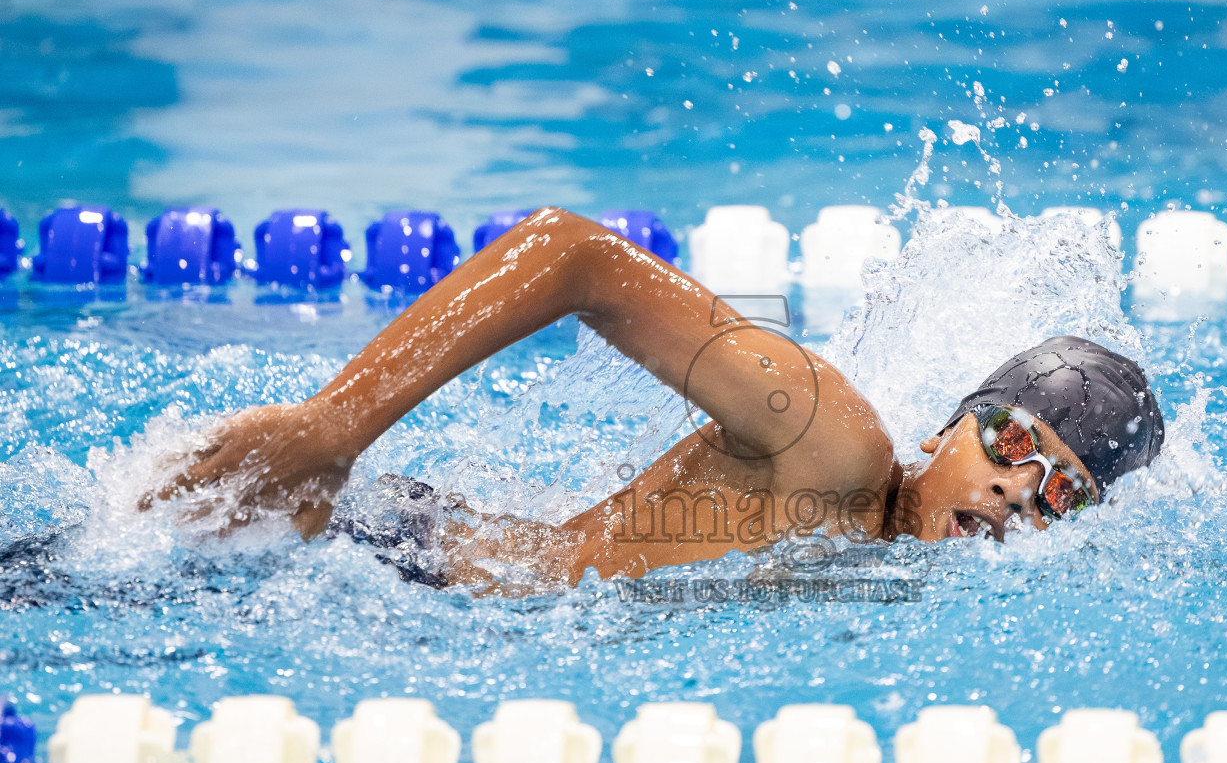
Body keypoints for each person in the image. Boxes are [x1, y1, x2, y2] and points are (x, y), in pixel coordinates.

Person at [147, 208, 1164, 593]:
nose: (1013, 491)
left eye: (1059, 493)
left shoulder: (897, 575)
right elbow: (572, 254)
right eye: (1009, 441)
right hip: (399, 566)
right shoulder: (834, 444)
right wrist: (332, 432)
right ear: (951, 424)